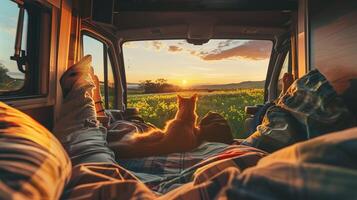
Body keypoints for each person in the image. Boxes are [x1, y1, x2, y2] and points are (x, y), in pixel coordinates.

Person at [0, 55, 356, 199]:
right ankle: (276, 104)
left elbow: (94, 163)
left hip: (233, 149)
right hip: (241, 150)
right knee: (255, 130)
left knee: (92, 148)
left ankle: (276, 105)